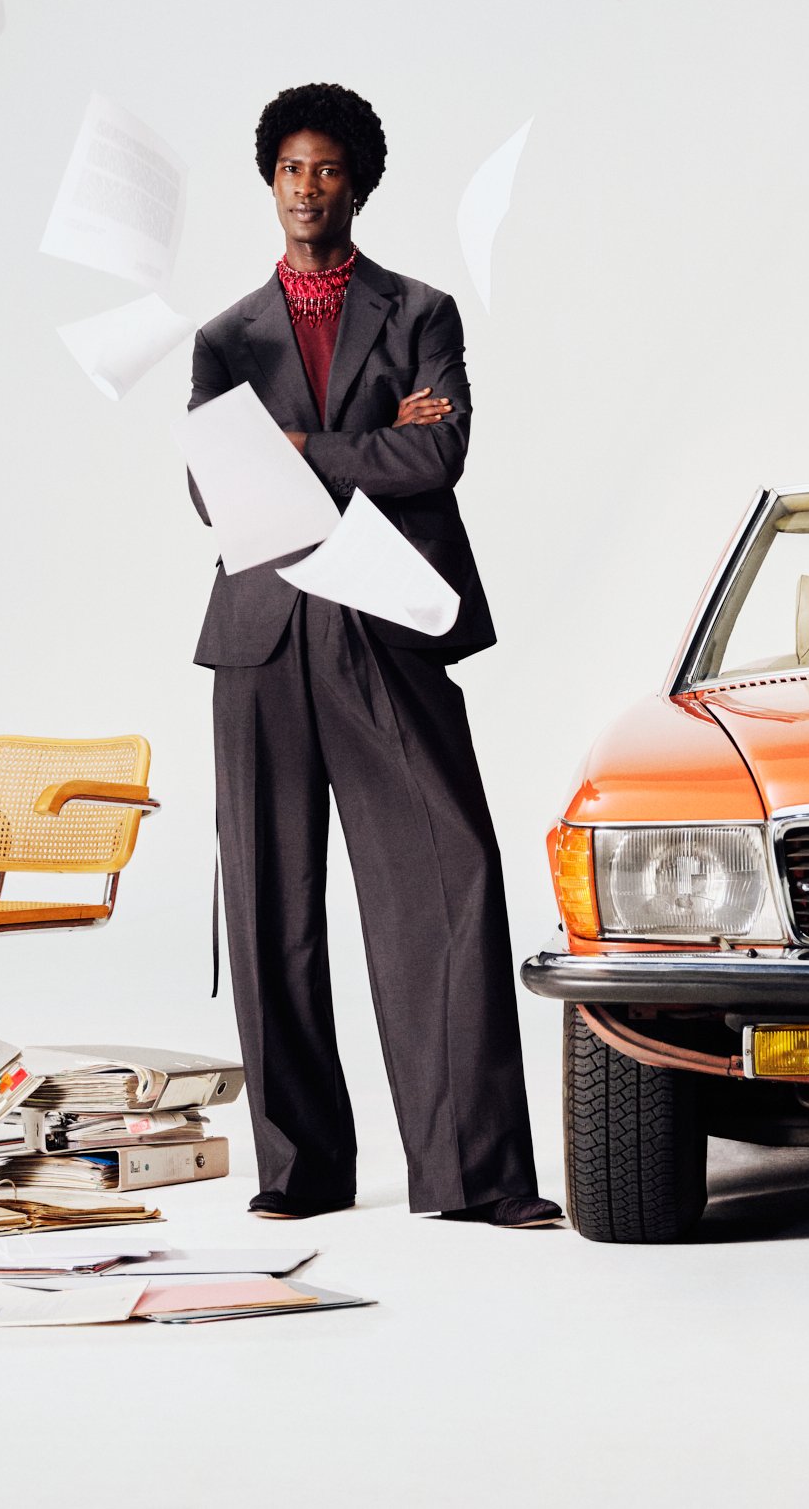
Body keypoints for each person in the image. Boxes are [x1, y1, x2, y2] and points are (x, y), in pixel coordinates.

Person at [188, 83, 558, 1229]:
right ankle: (299, 1171)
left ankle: (476, 1174)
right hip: (261, 632)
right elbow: (211, 482)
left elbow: (436, 453)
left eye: (328, 168)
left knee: (449, 880)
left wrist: (298, 446)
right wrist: (362, 445)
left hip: (381, 619)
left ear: (360, 181)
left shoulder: (422, 311)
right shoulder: (223, 338)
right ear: (270, 181)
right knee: (270, 905)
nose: (309, 187)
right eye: (291, 168)